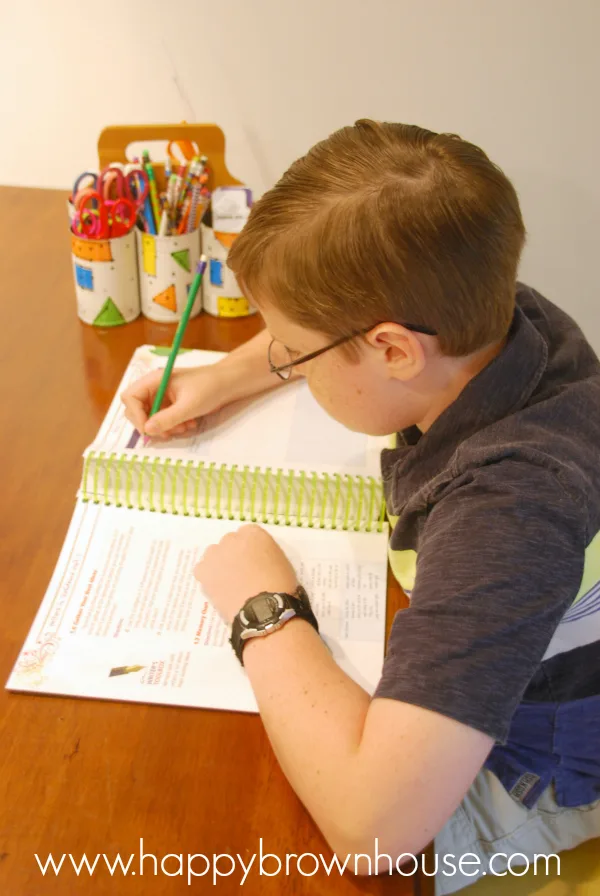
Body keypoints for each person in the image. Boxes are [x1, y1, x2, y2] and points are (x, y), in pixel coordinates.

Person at [122, 120, 600, 893]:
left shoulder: (511, 510)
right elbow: (346, 327)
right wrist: (227, 378)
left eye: (293, 352)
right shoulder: (493, 310)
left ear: (393, 351)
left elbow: (373, 828)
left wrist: (265, 609)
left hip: (536, 763)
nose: (282, 361)